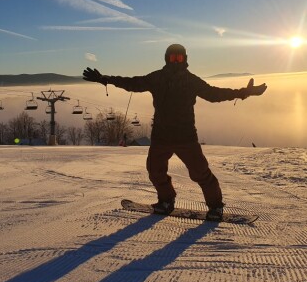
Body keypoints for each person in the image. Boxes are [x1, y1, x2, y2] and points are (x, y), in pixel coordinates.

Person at [83, 43, 267, 221]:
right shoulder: (158, 78)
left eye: (179, 57)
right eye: (173, 57)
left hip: (185, 136)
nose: (176, 61)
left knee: (200, 173)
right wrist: (105, 78)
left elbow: (214, 94)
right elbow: (133, 83)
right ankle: (166, 201)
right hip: (161, 136)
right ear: (167, 59)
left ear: (185, 59)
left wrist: (244, 92)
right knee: (155, 171)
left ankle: (215, 206)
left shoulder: (191, 80)